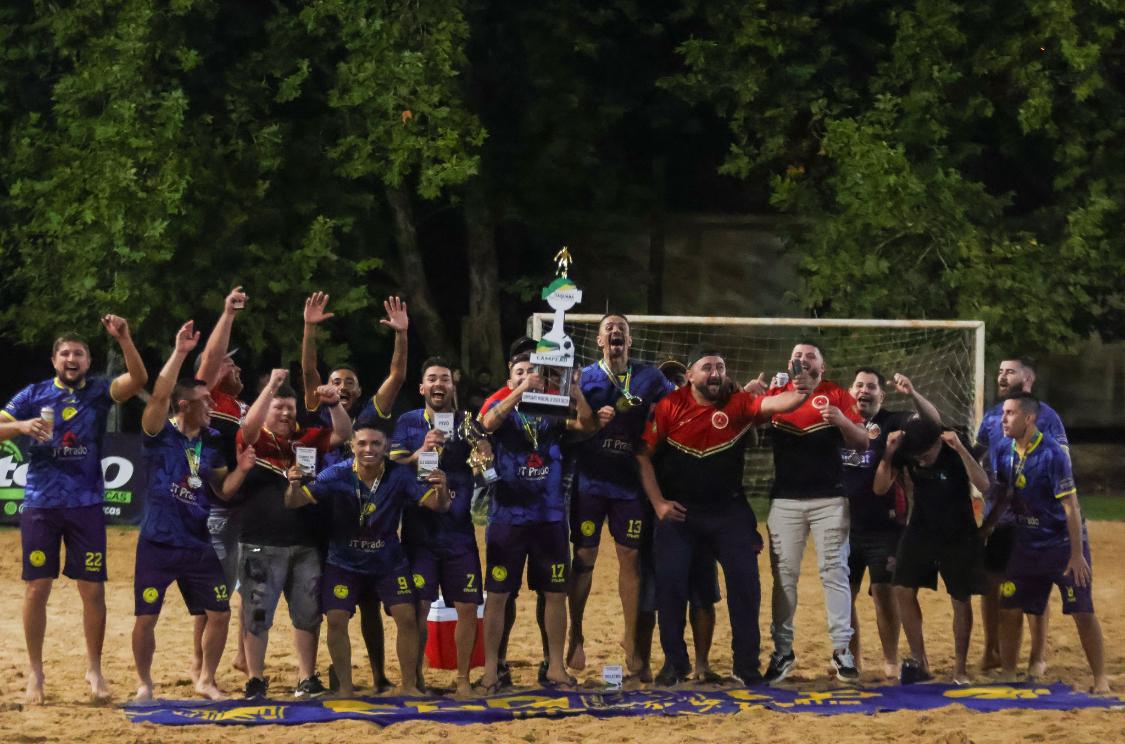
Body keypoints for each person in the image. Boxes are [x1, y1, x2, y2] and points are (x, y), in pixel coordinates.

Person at [638, 346, 811, 686]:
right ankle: (675, 664)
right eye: (706, 367)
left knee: (746, 585)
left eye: (720, 367)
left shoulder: (739, 405)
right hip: (681, 514)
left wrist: (800, 389)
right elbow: (642, 455)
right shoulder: (669, 407)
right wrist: (659, 503)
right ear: (690, 375)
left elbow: (779, 404)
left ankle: (745, 666)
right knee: (670, 587)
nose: (715, 373)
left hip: (728, 512)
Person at [1, 315, 148, 704]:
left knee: (92, 591)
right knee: (37, 589)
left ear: (87, 360)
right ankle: (35, 673)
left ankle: (94, 670)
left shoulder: (99, 392)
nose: (72, 358)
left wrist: (125, 338)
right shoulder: (32, 394)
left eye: (79, 353)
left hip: (86, 504)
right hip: (41, 504)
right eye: (65, 353)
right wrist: (20, 427)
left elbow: (137, 380)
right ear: (54, 360)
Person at [132, 321, 256, 701]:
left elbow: (222, 489)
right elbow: (158, 397)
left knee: (219, 613)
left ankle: (205, 679)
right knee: (146, 618)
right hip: (158, 541)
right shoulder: (160, 433)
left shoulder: (213, 440)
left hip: (198, 543)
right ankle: (144, 683)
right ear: (185, 405)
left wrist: (243, 469)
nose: (212, 409)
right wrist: (180, 352)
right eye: (206, 403)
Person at [286, 422, 451, 697]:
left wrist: (441, 487)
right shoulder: (335, 474)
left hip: (388, 561)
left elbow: (439, 505)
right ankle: (346, 688)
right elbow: (294, 502)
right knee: (336, 619)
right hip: (344, 562)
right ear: (352, 446)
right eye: (362, 443)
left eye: (375, 444)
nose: (368, 449)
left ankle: (409, 686)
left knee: (407, 618)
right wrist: (293, 485)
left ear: (386, 447)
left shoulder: (399, 475)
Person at [300, 291, 410, 691]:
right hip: (323, 523)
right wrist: (310, 328)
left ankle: (379, 673)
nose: (340, 386)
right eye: (335, 381)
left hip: (368, 526)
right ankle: (319, 674)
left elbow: (397, 376)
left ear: (359, 392)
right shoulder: (317, 410)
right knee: (327, 606)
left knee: (370, 607)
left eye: (348, 382)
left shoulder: (369, 418)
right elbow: (309, 368)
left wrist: (401, 335)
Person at [476, 351, 597, 692]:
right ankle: (491, 669)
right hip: (507, 518)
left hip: (550, 518)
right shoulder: (503, 411)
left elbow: (587, 427)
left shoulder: (552, 413)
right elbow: (486, 424)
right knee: (498, 595)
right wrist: (519, 391)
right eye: (520, 372)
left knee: (555, 593)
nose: (527, 375)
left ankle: (555, 667)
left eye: (533, 371)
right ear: (509, 380)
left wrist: (576, 393)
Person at [566, 315, 675, 677]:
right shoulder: (583, 377)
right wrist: (591, 417)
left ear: (629, 340)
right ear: (598, 340)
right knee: (583, 558)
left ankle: (631, 642)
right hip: (590, 482)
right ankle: (576, 633)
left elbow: (680, 409)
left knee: (630, 558)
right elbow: (569, 429)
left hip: (628, 483)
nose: (615, 333)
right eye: (609, 329)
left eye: (621, 330)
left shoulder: (650, 378)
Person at [236, 369, 352, 699]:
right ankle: (256, 678)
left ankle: (306, 677)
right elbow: (247, 428)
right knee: (257, 614)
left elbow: (344, 434)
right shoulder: (255, 438)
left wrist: (333, 406)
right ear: (265, 409)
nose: (286, 413)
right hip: (260, 541)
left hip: (306, 543)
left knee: (307, 614)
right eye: (278, 407)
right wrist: (270, 385)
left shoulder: (308, 438)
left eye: (290, 407)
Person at [762, 342, 869, 684]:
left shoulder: (837, 394)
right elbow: (747, 425)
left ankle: (842, 650)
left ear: (822, 367)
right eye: (797, 354)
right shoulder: (775, 394)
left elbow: (862, 443)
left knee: (835, 572)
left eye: (811, 356)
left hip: (830, 500)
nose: (803, 359)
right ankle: (782, 651)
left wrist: (841, 421)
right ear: (788, 361)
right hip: (785, 501)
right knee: (784, 578)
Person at [988, 394, 1109, 693]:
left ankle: (1100, 678)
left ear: (1028, 419)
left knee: (1082, 611)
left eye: (1010, 413)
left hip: (1061, 544)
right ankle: (1007, 672)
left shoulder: (1053, 454)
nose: (1002, 419)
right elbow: (999, 493)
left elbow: (1071, 506)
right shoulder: (1004, 450)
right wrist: (986, 528)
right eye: (1003, 413)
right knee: (1009, 605)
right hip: (1026, 543)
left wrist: (1078, 554)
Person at [389, 357, 484, 697]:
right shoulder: (407, 422)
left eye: (445, 378)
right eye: (432, 378)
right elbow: (393, 465)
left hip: (459, 532)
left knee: (468, 608)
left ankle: (462, 680)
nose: (439, 384)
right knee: (417, 608)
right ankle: (414, 681)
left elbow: (485, 465)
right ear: (422, 387)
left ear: (452, 386)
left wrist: (482, 454)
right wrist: (422, 451)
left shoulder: (468, 423)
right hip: (420, 534)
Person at [842, 368, 941, 679]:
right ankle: (852, 661)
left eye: (872, 387)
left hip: (885, 526)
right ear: (850, 390)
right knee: (844, 596)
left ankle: (890, 660)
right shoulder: (839, 423)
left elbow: (932, 423)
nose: (865, 390)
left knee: (884, 592)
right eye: (859, 385)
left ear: (881, 396)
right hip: (843, 526)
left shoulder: (894, 421)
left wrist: (912, 393)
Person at [876, 417, 990, 684]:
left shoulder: (955, 452)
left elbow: (984, 485)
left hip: (959, 532)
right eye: (917, 458)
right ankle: (920, 661)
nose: (922, 462)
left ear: (939, 441)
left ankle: (959, 669)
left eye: (926, 455)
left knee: (960, 599)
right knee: (902, 588)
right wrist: (889, 453)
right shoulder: (908, 451)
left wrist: (962, 450)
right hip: (921, 530)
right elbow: (880, 488)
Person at [975, 356, 1068, 676]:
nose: (1001, 377)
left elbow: (1060, 465)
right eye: (999, 372)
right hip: (999, 515)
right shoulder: (991, 416)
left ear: (1028, 379)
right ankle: (992, 649)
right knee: (992, 583)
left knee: (1033, 588)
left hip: (1034, 519)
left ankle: (1037, 655)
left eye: (1009, 372)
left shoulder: (1047, 417)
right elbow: (981, 456)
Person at [633, 358, 724, 684]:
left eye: (676, 381)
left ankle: (701, 665)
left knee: (703, 591)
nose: (671, 387)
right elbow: (641, 457)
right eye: (665, 381)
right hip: (658, 515)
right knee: (653, 594)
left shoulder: (705, 415)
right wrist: (656, 503)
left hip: (700, 512)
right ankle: (648, 663)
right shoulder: (650, 420)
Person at [192, 285, 250, 678]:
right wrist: (228, 314)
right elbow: (212, 357)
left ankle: (246, 658)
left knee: (252, 591)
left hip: (251, 509)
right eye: (232, 365)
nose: (237, 368)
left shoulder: (243, 407)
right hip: (219, 508)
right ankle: (199, 664)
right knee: (216, 595)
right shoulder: (208, 397)